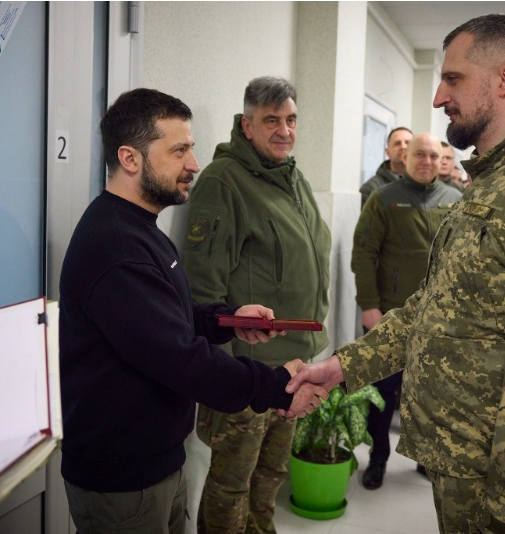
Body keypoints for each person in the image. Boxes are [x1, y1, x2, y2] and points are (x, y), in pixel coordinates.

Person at [285, 14, 505, 533]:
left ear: (504, 80)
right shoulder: (492, 181)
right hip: (462, 460)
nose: (440, 97)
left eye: (453, 79)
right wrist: (346, 367)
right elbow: (434, 304)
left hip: (503, 484)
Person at [59, 88, 326, 534]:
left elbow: (164, 320)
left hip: (157, 459)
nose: (194, 164)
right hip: (124, 477)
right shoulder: (116, 247)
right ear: (130, 159)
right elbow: (179, 359)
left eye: (191, 148)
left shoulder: (140, 228)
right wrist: (277, 386)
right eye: (179, 150)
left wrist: (228, 320)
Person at [182, 77, 331, 534]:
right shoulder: (223, 182)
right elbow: (203, 291)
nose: (284, 130)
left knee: (270, 477)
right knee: (231, 486)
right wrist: (222, 379)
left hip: (291, 363)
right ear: (247, 126)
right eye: (271, 120)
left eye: (290, 120)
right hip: (245, 372)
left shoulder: (294, 179)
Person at [352, 132, 462, 490]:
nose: (427, 161)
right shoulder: (385, 199)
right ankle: (378, 458)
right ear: (406, 157)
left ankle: (425, 459)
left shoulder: (456, 199)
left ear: (442, 159)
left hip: (441, 320)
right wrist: (369, 305)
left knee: (432, 394)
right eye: (420, 155)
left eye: (433, 155)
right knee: (384, 394)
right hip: (391, 316)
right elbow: (364, 254)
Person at [359, 126, 413, 207]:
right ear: (388, 152)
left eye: (407, 143)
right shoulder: (371, 188)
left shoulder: (424, 185)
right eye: (397, 143)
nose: (403, 147)